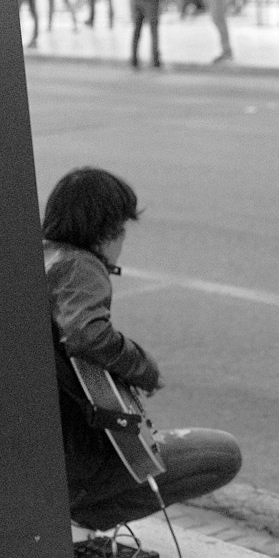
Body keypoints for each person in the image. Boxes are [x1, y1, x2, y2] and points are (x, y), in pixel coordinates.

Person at [42, 167, 241, 529]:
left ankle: (80, 510)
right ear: (107, 231)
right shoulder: (80, 265)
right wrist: (143, 368)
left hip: (42, 451)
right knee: (222, 453)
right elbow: (86, 333)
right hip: (73, 464)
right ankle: (84, 511)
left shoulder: (41, 257)